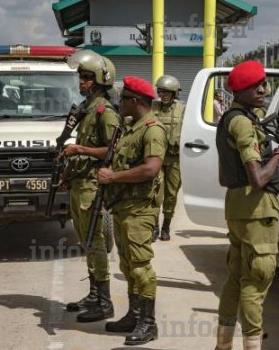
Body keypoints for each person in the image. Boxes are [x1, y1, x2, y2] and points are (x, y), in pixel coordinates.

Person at [213, 60, 279, 350]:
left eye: (262, 84)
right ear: (239, 90)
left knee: (236, 280)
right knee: (256, 281)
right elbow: (257, 178)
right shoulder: (244, 123)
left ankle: (223, 346)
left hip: (238, 208)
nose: (261, 89)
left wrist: (277, 183)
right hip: (255, 213)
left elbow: (227, 177)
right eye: (253, 86)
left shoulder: (232, 118)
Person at [98, 76, 166, 346]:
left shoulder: (152, 129)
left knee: (140, 267)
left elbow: (151, 168)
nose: (119, 103)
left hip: (140, 209)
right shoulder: (132, 128)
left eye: (123, 98)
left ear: (135, 101)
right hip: (125, 206)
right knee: (126, 265)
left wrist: (113, 178)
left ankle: (148, 324)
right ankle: (134, 315)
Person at [57, 49, 120, 323]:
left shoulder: (105, 112)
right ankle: (94, 295)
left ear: (98, 80)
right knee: (86, 241)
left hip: (93, 186)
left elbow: (113, 150)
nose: (80, 82)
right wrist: (67, 174)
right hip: (80, 184)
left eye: (85, 77)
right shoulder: (87, 109)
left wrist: (79, 148)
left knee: (95, 242)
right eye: (80, 77)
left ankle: (104, 303)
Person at [151, 75, 185, 242]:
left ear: (174, 93)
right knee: (156, 191)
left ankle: (166, 226)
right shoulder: (153, 107)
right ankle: (155, 226)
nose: (163, 94)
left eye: (167, 92)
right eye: (161, 91)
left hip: (175, 158)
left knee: (171, 194)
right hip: (156, 156)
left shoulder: (182, 109)